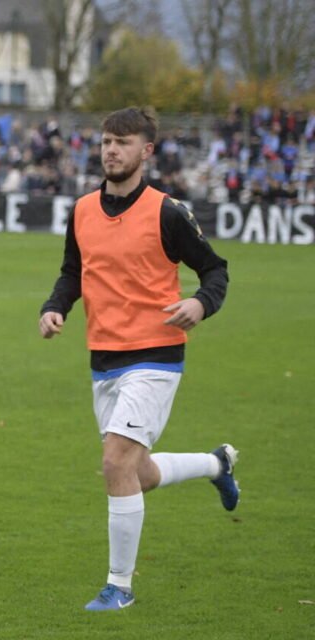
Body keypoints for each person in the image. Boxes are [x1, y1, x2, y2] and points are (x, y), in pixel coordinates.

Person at [38, 107, 238, 611]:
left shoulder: (168, 212)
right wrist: (54, 308)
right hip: (103, 359)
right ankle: (217, 465)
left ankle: (119, 587)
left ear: (145, 151)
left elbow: (215, 270)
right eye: (107, 141)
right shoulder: (82, 210)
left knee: (113, 462)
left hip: (156, 356)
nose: (111, 150)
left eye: (123, 142)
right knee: (136, 472)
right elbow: (72, 273)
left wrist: (199, 302)